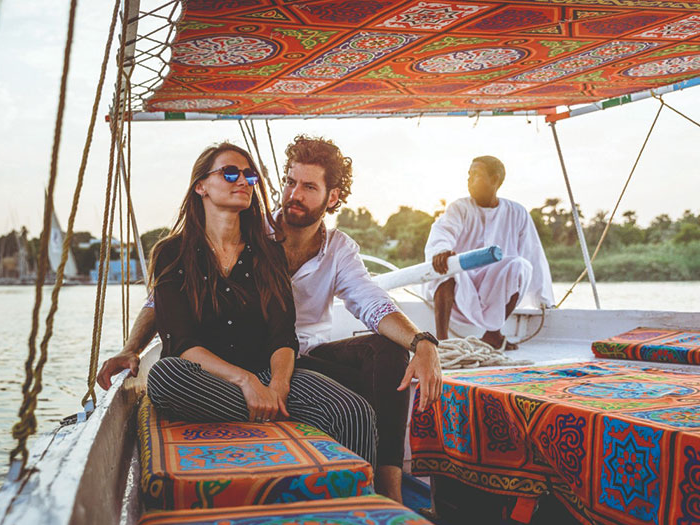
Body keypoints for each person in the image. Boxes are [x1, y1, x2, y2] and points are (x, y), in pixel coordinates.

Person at [99, 136, 442, 503]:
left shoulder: (301, 251)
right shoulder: (247, 232)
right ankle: (282, 412)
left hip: (291, 362)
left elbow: (369, 305)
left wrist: (422, 342)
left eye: (308, 187)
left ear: (332, 198)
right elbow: (166, 313)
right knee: (167, 376)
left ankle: (378, 498)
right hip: (231, 369)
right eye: (290, 182)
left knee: (381, 367)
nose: (294, 194)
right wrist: (132, 347)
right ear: (202, 185)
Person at [142, 142, 377, 466]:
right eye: (229, 172)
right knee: (166, 377)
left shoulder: (267, 253)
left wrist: (277, 386)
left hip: (267, 372)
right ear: (201, 186)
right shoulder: (172, 253)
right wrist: (246, 382)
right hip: (204, 376)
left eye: (249, 175)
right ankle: (269, 412)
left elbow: (282, 336)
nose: (242, 180)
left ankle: (362, 506)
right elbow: (181, 342)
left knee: (354, 412)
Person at [423, 156, 554, 350]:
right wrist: (442, 250)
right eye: (469, 174)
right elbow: (443, 232)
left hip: (493, 287)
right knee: (447, 263)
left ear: (495, 180)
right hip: (459, 287)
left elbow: (532, 254)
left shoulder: (517, 212)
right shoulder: (459, 208)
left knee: (521, 265)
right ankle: (442, 343)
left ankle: (493, 334)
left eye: (475, 175)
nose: (469, 180)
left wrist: (543, 300)